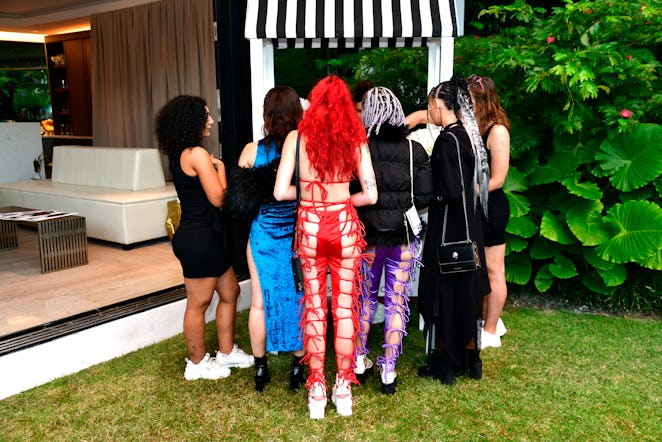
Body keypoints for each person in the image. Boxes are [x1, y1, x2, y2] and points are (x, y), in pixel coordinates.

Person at [274, 75, 378, 419]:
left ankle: (317, 388)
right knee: (345, 308)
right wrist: (343, 197)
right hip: (345, 227)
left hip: (310, 227)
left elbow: (279, 192)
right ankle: (343, 388)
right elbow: (371, 194)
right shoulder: (355, 138)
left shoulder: (296, 137)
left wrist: (308, 196)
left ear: (314, 103)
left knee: (317, 308)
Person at [155, 95, 254, 380]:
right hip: (198, 239)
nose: (211, 120)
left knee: (230, 291)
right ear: (192, 121)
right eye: (206, 115)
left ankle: (225, 353)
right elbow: (219, 199)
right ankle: (197, 364)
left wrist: (218, 168)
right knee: (198, 303)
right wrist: (221, 169)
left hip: (204, 236)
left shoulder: (181, 154)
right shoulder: (196, 155)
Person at [353, 86, 433, 394]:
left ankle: (359, 361)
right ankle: (388, 370)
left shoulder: (361, 149)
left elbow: (350, 192)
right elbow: (425, 196)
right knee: (397, 301)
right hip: (403, 237)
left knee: (365, 301)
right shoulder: (416, 151)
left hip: (368, 238)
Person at [417, 76, 491, 386]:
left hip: (448, 228)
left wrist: (425, 195)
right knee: (464, 293)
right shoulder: (466, 137)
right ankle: (470, 359)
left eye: (430, 104)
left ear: (439, 105)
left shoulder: (447, 140)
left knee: (445, 294)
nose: (429, 111)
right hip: (468, 225)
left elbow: (447, 190)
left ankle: (445, 363)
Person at [236, 86, 306, 391]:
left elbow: (238, 202)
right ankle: (297, 367)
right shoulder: (305, 148)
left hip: (262, 235)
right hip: (297, 235)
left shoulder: (252, 151)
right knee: (301, 299)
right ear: (297, 113)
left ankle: (261, 369)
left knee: (259, 303)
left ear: (267, 115)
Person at [468, 75, 511, 348]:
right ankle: (486, 318)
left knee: (494, 270)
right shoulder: (474, 127)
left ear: (481, 101)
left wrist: (467, 191)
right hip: (476, 207)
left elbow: (498, 179)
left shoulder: (497, 132)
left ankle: (492, 329)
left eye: (469, 101)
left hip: (491, 207)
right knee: (480, 270)